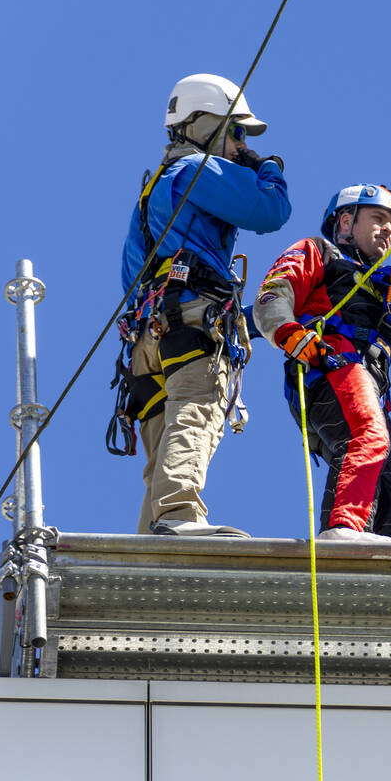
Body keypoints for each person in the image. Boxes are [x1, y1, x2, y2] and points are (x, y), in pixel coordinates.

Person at [117, 73, 291, 536]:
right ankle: (178, 516)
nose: (240, 145)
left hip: (148, 340)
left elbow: (130, 277)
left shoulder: (151, 192)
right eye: (235, 132)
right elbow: (271, 211)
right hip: (191, 326)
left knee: (163, 447)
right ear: (203, 126)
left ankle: (149, 544)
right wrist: (266, 167)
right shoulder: (198, 171)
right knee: (195, 412)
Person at [254, 182, 391, 542]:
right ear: (345, 222)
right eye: (378, 217)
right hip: (331, 366)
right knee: (368, 437)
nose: (389, 228)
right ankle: (343, 529)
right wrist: (289, 333)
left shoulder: (389, 285)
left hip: (366, 383)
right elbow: (273, 294)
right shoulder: (320, 252)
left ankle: (390, 571)